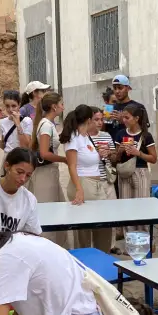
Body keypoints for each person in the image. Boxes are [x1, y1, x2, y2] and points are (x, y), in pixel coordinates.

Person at [60, 104, 115, 247]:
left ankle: (101, 255)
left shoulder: (86, 137)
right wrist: (79, 189)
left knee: (103, 225)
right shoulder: (74, 137)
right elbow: (72, 165)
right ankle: (84, 260)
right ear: (89, 119)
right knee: (84, 230)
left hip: (96, 184)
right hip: (84, 183)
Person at [28, 92, 66, 244]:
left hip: (51, 172)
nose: (63, 106)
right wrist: (65, 159)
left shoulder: (49, 124)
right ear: (54, 106)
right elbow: (44, 153)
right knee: (47, 209)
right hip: (45, 173)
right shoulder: (45, 125)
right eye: (61, 104)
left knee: (55, 208)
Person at [113, 101, 157, 205]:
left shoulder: (146, 135)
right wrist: (119, 151)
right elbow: (116, 159)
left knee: (141, 206)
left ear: (136, 119)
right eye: (123, 117)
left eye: (127, 118)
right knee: (125, 206)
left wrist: (138, 153)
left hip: (141, 172)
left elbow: (154, 159)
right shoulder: (121, 134)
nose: (124, 120)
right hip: (124, 173)